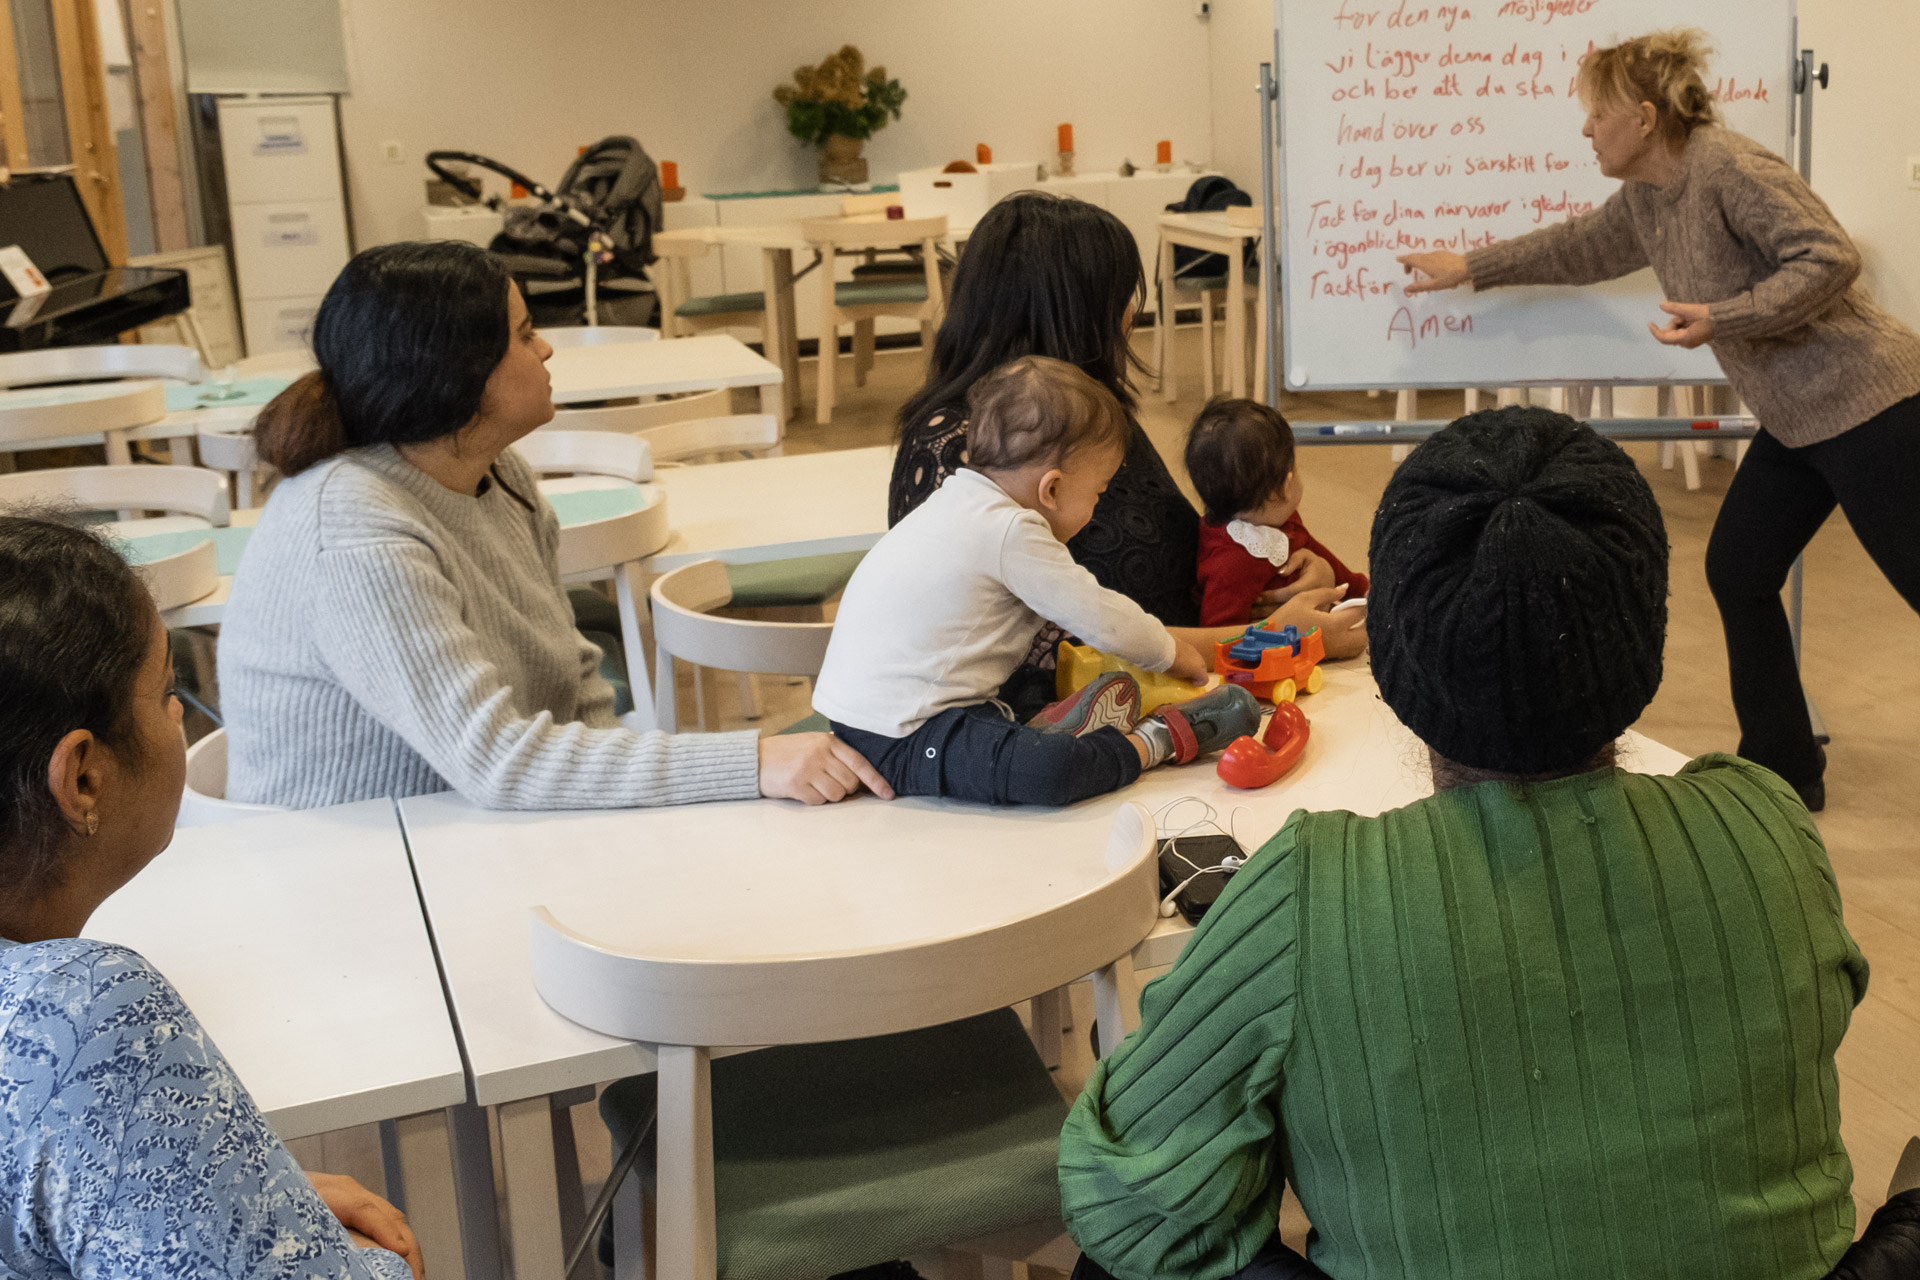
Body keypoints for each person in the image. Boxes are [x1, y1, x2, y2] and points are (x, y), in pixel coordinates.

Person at [1057, 407, 1919, 1280]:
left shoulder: (1303, 895)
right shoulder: (1767, 830)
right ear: (1647, 641)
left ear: (1391, 658)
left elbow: (1127, 1208)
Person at [1396, 28, 1920, 812]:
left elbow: (1828, 257)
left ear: (1644, 118)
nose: (1585, 129)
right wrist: (1470, 266)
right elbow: (1579, 247)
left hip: (1867, 399)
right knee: (1739, 571)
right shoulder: (1648, 195)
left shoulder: (1727, 167)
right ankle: (1783, 766)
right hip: (1797, 418)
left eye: (1596, 114)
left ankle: (1783, 759)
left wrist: (1726, 315)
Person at [219, 240, 891, 810]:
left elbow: (575, 688)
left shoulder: (500, 473)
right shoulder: (352, 528)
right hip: (356, 873)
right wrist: (753, 763)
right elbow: (499, 763)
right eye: (521, 336)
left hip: (461, 830)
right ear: (453, 373)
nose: (544, 350)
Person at [0, 515, 423, 1280]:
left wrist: (235, 1195)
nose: (178, 715)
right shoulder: (78, 1012)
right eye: (165, 690)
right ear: (83, 778)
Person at [893, 191, 1365, 717]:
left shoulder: (1085, 413)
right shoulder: (961, 451)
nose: (1132, 315)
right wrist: (1273, 635)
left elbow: (1194, 552)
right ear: (1072, 309)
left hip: (1184, 681)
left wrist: (1284, 575)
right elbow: (1055, 655)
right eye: (1119, 295)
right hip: (1083, 719)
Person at [814, 358, 1259, 806]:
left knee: (1018, 708)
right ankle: (1155, 740)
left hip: (872, 716)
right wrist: (1170, 653)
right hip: (906, 732)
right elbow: (1100, 614)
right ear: (1052, 489)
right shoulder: (1011, 530)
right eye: (1098, 493)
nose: (1097, 506)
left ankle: (1042, 728)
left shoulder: (954, 504)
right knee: (1051, 772)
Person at [1183, 397, 1369, 639]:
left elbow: (1325, 559)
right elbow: (1221, 638)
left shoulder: (1279, 521)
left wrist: (1362, 590)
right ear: (1283, 487)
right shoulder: (1231, 563)